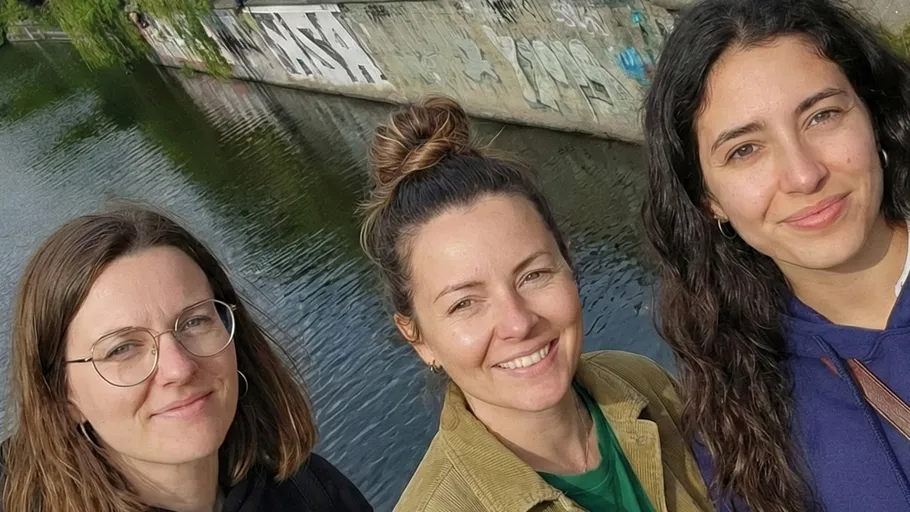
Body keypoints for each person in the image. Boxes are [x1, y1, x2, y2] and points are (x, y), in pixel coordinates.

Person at [359, 97, 713, 512]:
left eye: (533, 275)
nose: (518, 322)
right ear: (418, 338)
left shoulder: (641, 382)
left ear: (569, 264)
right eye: (465, 303)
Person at [642, 0, 910, 510]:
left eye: (822, 115)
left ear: (873, 114)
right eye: (745, 149)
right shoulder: (741, 411)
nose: (804, 175)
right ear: (709, 198)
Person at [0, 206, 372, 512]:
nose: (179, 367)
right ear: (63, 398)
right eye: (122, 348)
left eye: (194, 321)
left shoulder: (310, 494)